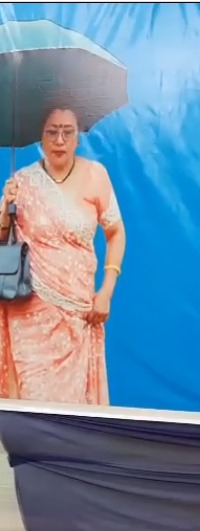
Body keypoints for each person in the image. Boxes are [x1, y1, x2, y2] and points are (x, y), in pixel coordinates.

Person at [0, 107, 126, 404]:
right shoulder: (23, 182)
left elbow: (116, 233)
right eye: (52, 132)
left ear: (77, 138)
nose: (59, 140)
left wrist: (106, 292)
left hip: (80, 314)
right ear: (41, 137)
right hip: (30, 314)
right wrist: (6, 209)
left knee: (71, 407)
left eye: (67, 132)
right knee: (34, 401)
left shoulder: (95, 175)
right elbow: (2, 240)